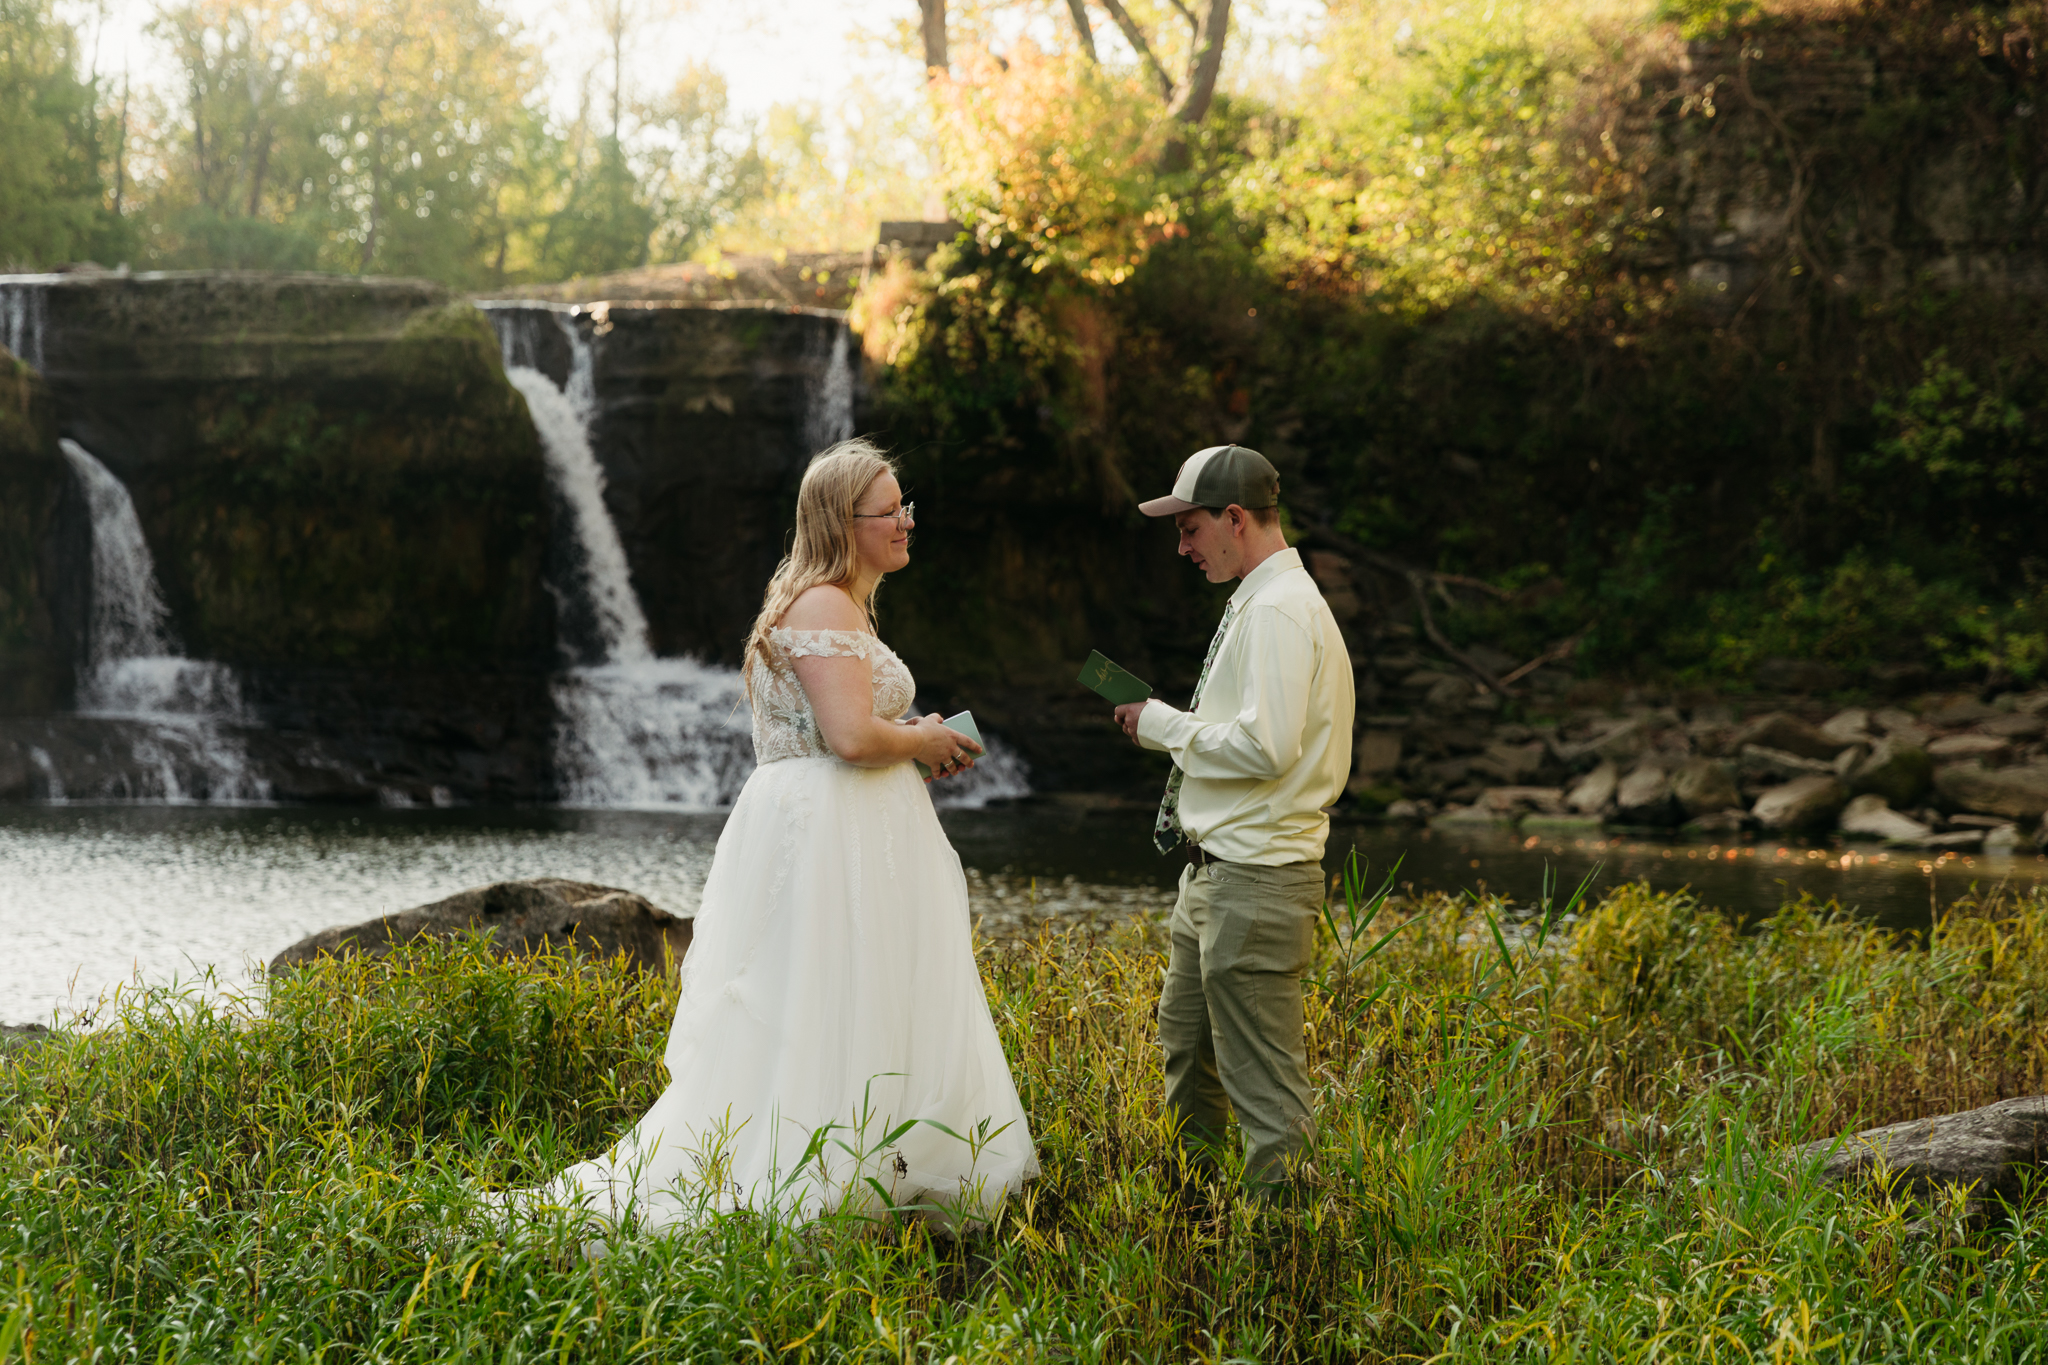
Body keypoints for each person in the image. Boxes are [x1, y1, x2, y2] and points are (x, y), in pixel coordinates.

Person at [504, 439, 1038, 1235]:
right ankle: (819, 1181)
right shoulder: (823, 603)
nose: (906, 521)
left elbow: (848, 733)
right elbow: (852, 740)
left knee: (860, 995)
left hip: (847, 825)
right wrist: (917, 740)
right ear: (839, 520)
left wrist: (914, 737)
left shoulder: (839, 602)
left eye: (905, 506)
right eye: (888, 510)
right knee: (823, 996)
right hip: (825, 836)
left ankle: (875, 1167)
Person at [1112, 444, 1354, 1195]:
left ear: (1236, 518)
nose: (1181, 546)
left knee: (1267, 1094)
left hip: (1256, 881)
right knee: (1188, 1057)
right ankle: (1204, 1227)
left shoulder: (1281, 610)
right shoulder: (1259, 599)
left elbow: (1267, 747)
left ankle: (1285, 1266)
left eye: (1189, 528)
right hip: (1214, 875)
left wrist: (1162, 725)